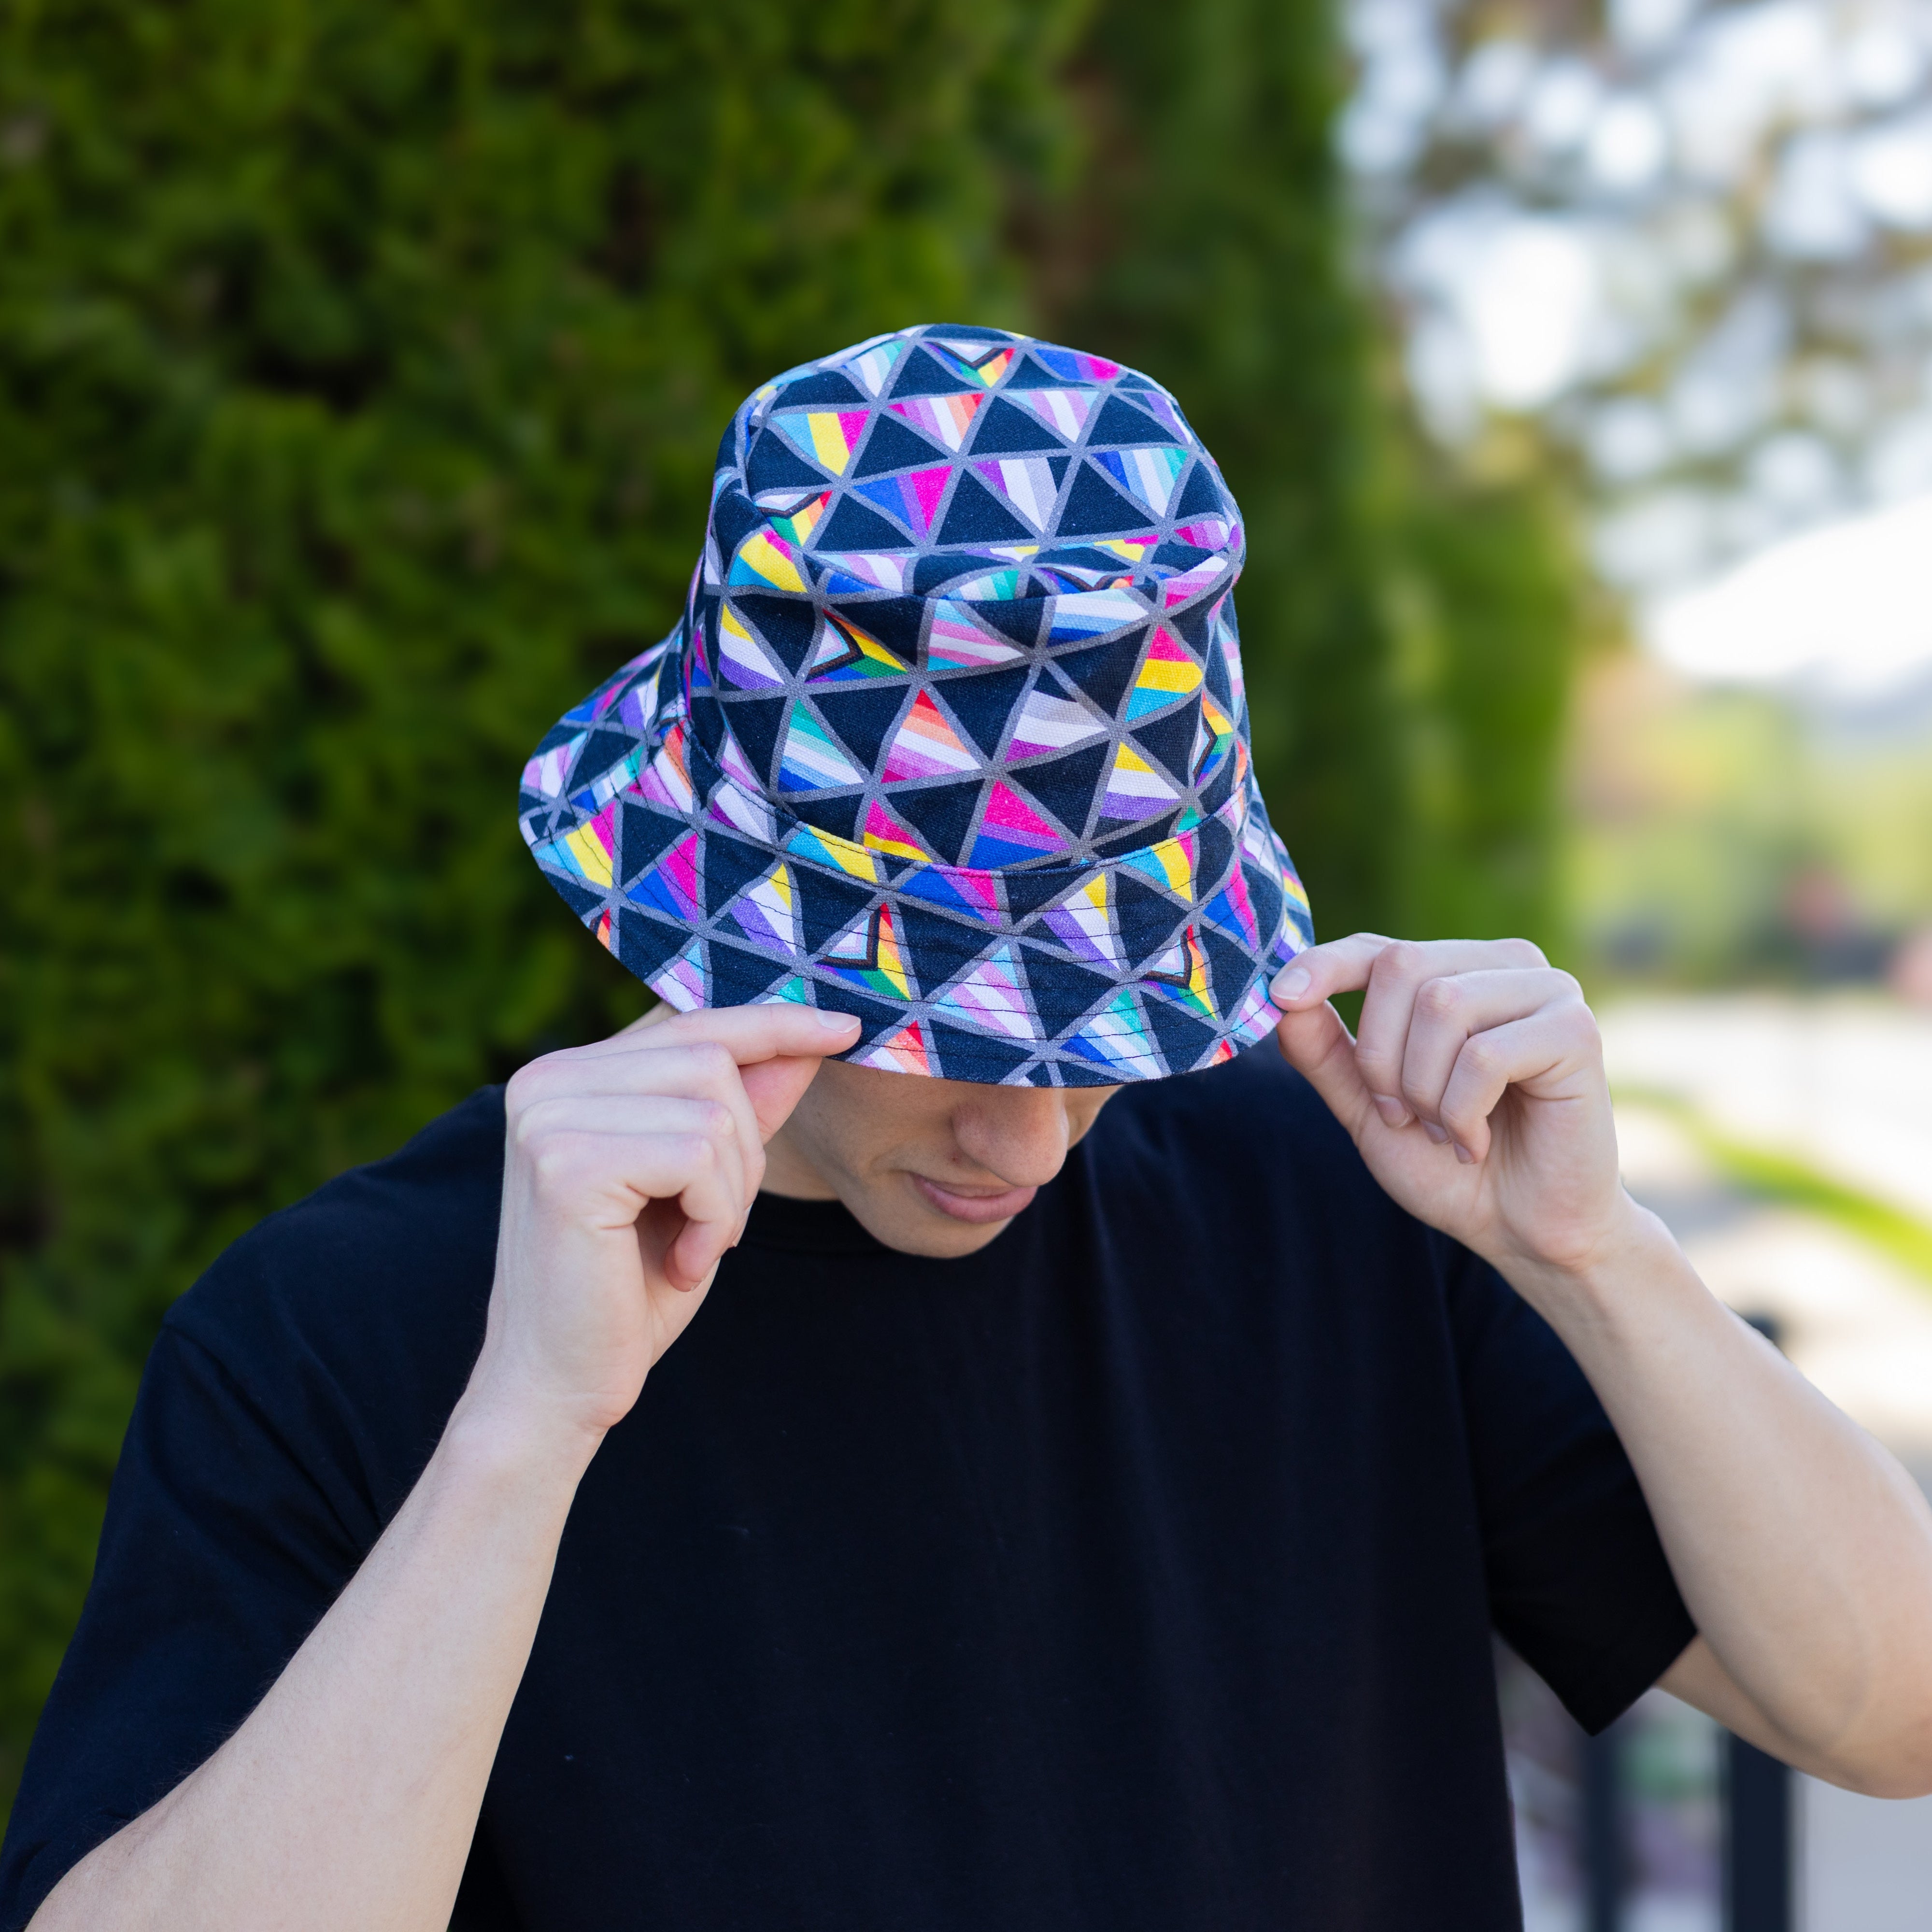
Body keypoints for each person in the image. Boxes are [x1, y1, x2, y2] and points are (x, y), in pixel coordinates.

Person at [5, 324, 1932, 1932]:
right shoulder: (356, 1330)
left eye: (1103, 1030)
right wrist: (523, 1434)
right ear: (726, 916)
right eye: (940, 1022)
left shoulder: (1343, 1212)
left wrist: (1598, 1259)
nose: (1027, 1130)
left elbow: (1893, 1713)